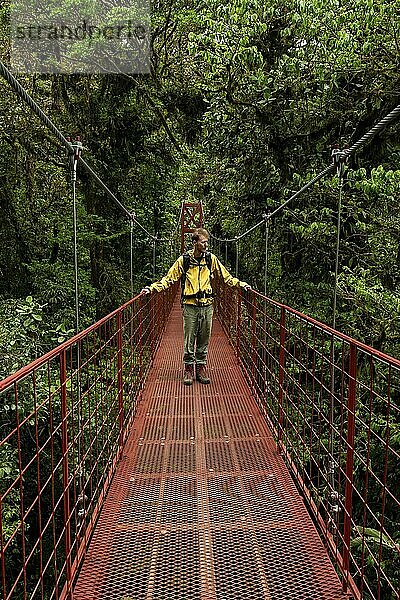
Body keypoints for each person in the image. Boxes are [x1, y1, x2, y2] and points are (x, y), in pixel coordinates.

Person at [141, 228, 251, 385]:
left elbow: (226, 277)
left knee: (204, 339)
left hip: (207, 305)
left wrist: (241, 285)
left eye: (207, 242)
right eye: (203, 242)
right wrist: (151, 288)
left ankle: (200, 368)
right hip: (190, 306)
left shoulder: (211, 259)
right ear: (195, 243)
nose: (206, 245)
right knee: (189, 339)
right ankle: (188, 370)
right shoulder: (184, 260)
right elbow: (169, 279)